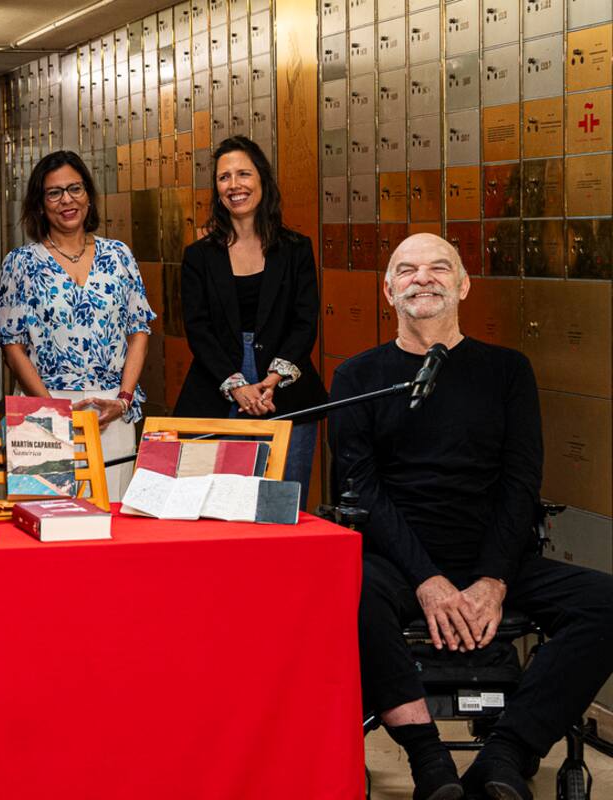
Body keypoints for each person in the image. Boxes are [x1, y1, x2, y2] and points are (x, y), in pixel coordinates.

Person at [329, 233, 613, 800]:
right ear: (388, 290)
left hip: (494, 556)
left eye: (439, 267)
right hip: (397, 561)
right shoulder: (357, 377)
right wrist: (428, 580)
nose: (423, 278)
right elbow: (364, 490)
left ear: (463, 285)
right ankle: (428, 760)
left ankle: (509, 751)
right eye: (407, 270)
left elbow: (519, 484)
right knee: (346, 587)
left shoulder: (507, 371)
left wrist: (492, 580)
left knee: (605, 603)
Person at [0, 150, 154, 500]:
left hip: (109, 411)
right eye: (54, 192)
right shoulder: (21, 263)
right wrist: (53, 409)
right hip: (42, 410)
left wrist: (124, 400)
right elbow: (12, 346)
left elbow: (139, 330)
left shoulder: (119, 256)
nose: (67, 200)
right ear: (39, 204)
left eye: (75, 189)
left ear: (88, 197)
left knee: (111, 521)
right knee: (46, 518)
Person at [173, 135, 326, 506]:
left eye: (243, 174)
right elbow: (198, 328)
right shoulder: (199, 256)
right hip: (216, 384)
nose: (234, 185)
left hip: (285, 392)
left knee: (280, 507)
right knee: (211, 505)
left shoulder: (296, 249)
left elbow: (305, 322)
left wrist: (272, 380)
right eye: (224, 177)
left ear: (262, 180)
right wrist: (237, 386)